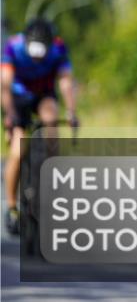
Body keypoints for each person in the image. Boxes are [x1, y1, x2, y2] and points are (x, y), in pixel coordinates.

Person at [2, 18, 78, 235]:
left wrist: (71, 112)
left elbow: (65, 81)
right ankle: (12, 207)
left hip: (43, 95)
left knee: (51, 123)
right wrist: (10, 115)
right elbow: (5, 85)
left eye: (41, 53)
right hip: (17, 97)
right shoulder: (13, 46)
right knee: (17, 151)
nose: (36, 58)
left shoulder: (58, 48)